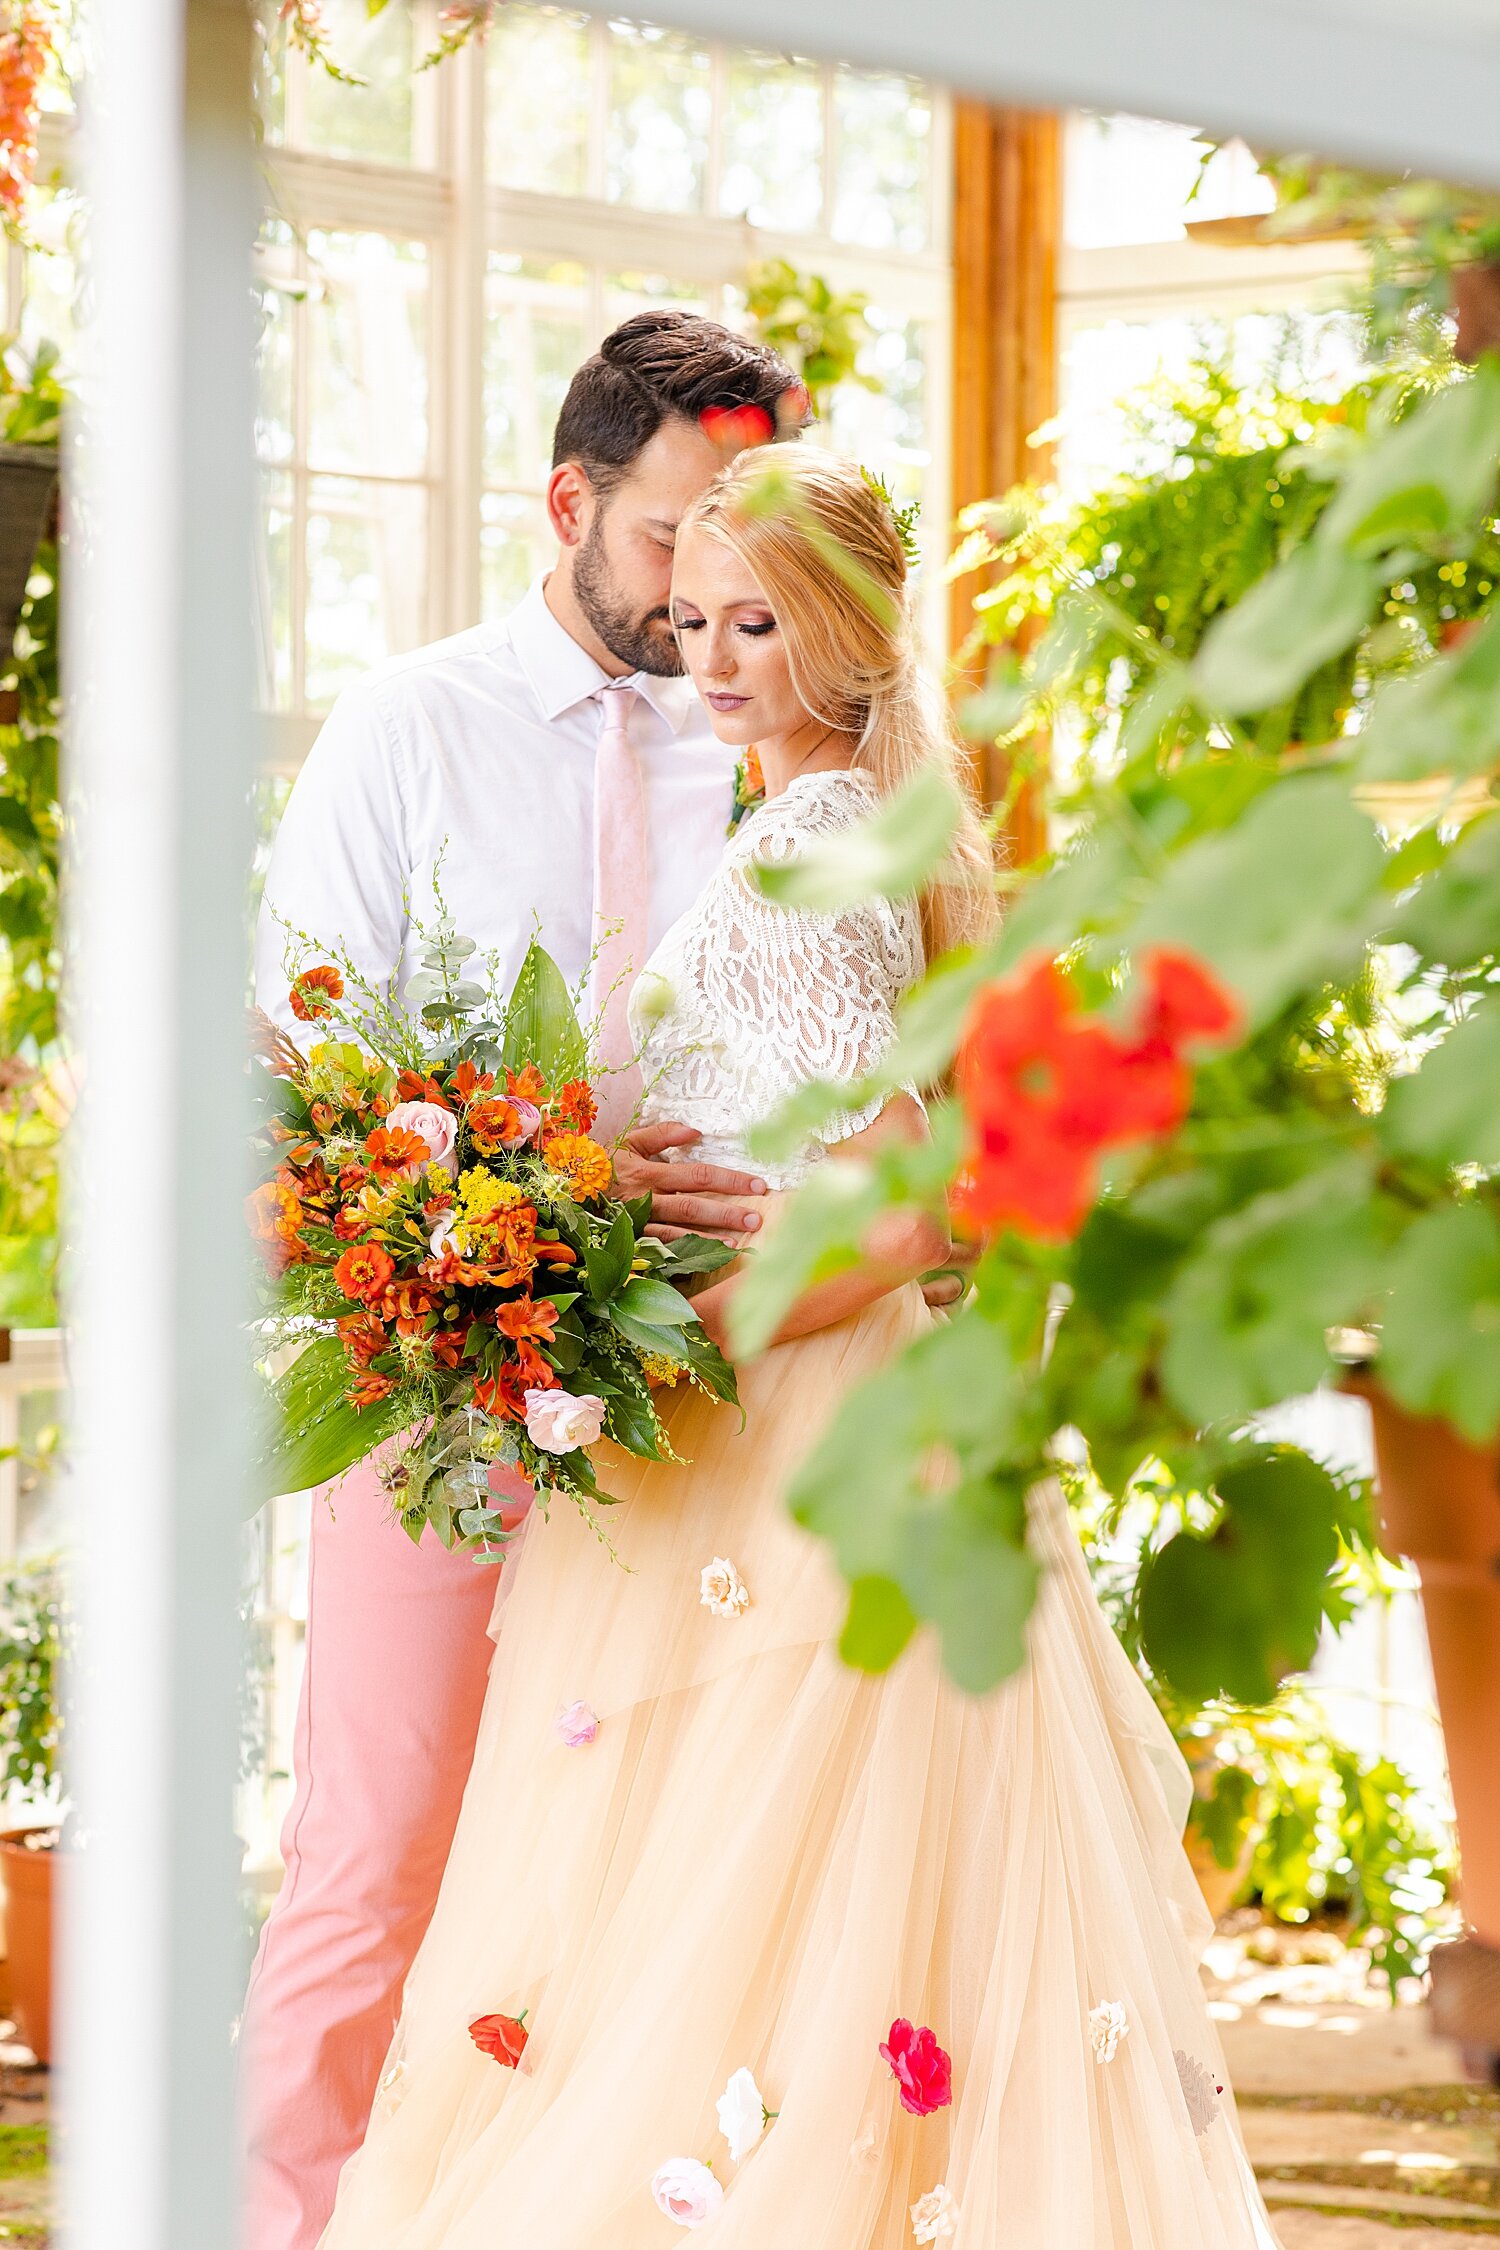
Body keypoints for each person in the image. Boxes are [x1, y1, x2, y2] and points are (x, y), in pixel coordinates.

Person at [314, 449, 1281, 2248]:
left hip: (792, 1412)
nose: (716, 660)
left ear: (844, 632)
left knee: (742, 1891)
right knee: (803, 1912)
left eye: (758, 623)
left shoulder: (813, 831)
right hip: (821, 1408)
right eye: (694, 622)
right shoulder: (862, 822)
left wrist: (678, 1345)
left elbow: (906, 1189)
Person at [241, 308, 813, 2250]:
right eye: (675, 539)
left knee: (630, 1881)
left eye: (755, 548)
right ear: (569, 504)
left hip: (704, 1400)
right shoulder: (411, 729)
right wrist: (542, 1173)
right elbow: (302, 1087)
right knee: (378, 1851)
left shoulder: (771, 750)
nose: (717, 592)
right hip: (438, 1384)